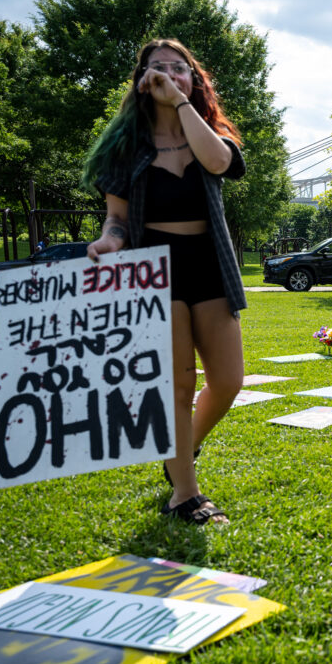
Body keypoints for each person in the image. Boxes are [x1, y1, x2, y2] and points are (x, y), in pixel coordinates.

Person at [82, 38, 246, 524]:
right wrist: (111, 241)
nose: (169, 74)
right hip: (154, 268)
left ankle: (181, 451)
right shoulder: (124, 148)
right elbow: (116, 218)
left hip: (209, 264)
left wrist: (179, 104)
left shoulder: (211, 134)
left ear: (194, 81)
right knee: (176, 385)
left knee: (229, 381)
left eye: (180, 69)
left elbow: (219, 164)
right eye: (158, 68)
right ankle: (186, 495)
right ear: (141, 81)